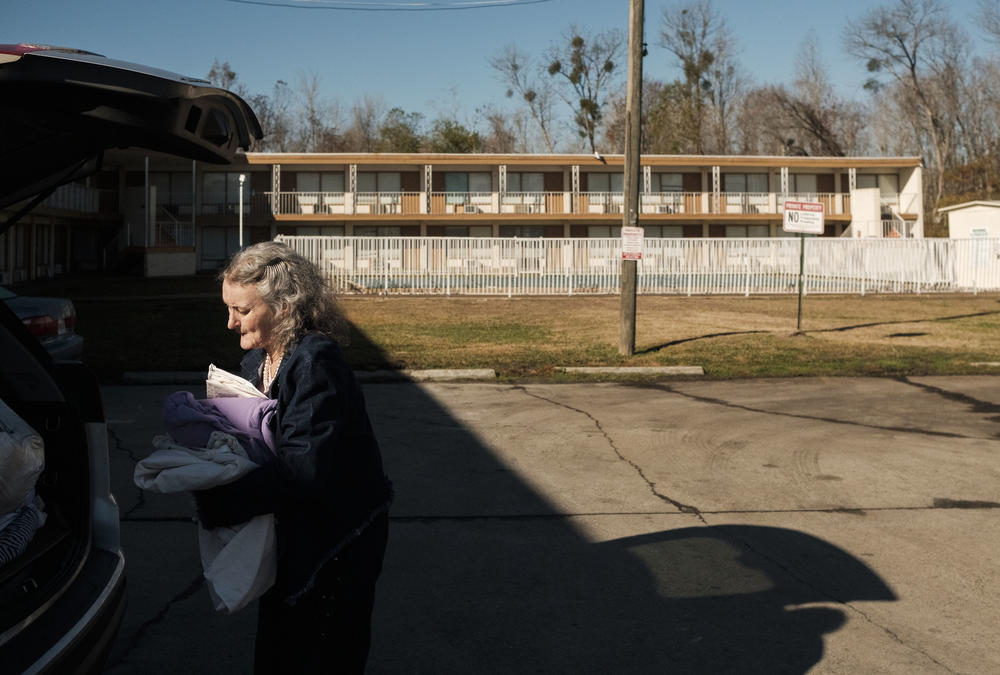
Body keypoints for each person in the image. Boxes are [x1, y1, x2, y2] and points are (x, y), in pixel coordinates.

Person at [195, 240, 393, 674]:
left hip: (338, 539)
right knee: (282, 646)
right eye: (228, 308)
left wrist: (221, 502)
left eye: (242, 311)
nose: (230, 323)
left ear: (283, 307)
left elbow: (302, 470)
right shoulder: (260, 359)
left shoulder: (315, 362)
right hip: (295, 528)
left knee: (322, 651)